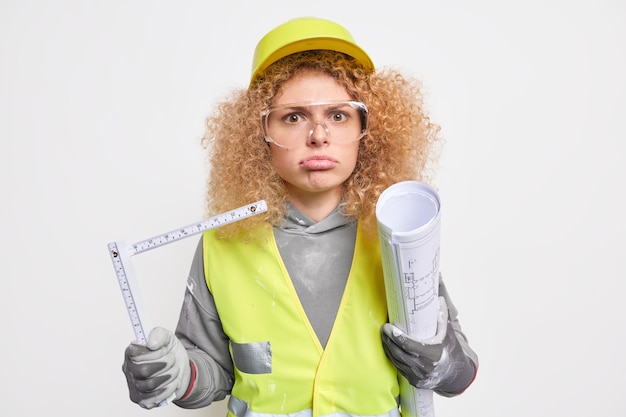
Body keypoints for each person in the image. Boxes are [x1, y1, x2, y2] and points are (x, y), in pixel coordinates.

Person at [122, 16, 478, 416]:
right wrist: (173, 372)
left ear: (368, 129)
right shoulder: (221, 244)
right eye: (293, 116)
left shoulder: (396, 239)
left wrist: (441, 361)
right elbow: (211, 374)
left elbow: (461, 371)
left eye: (339, 115)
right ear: (260, 133)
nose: (319, 135)